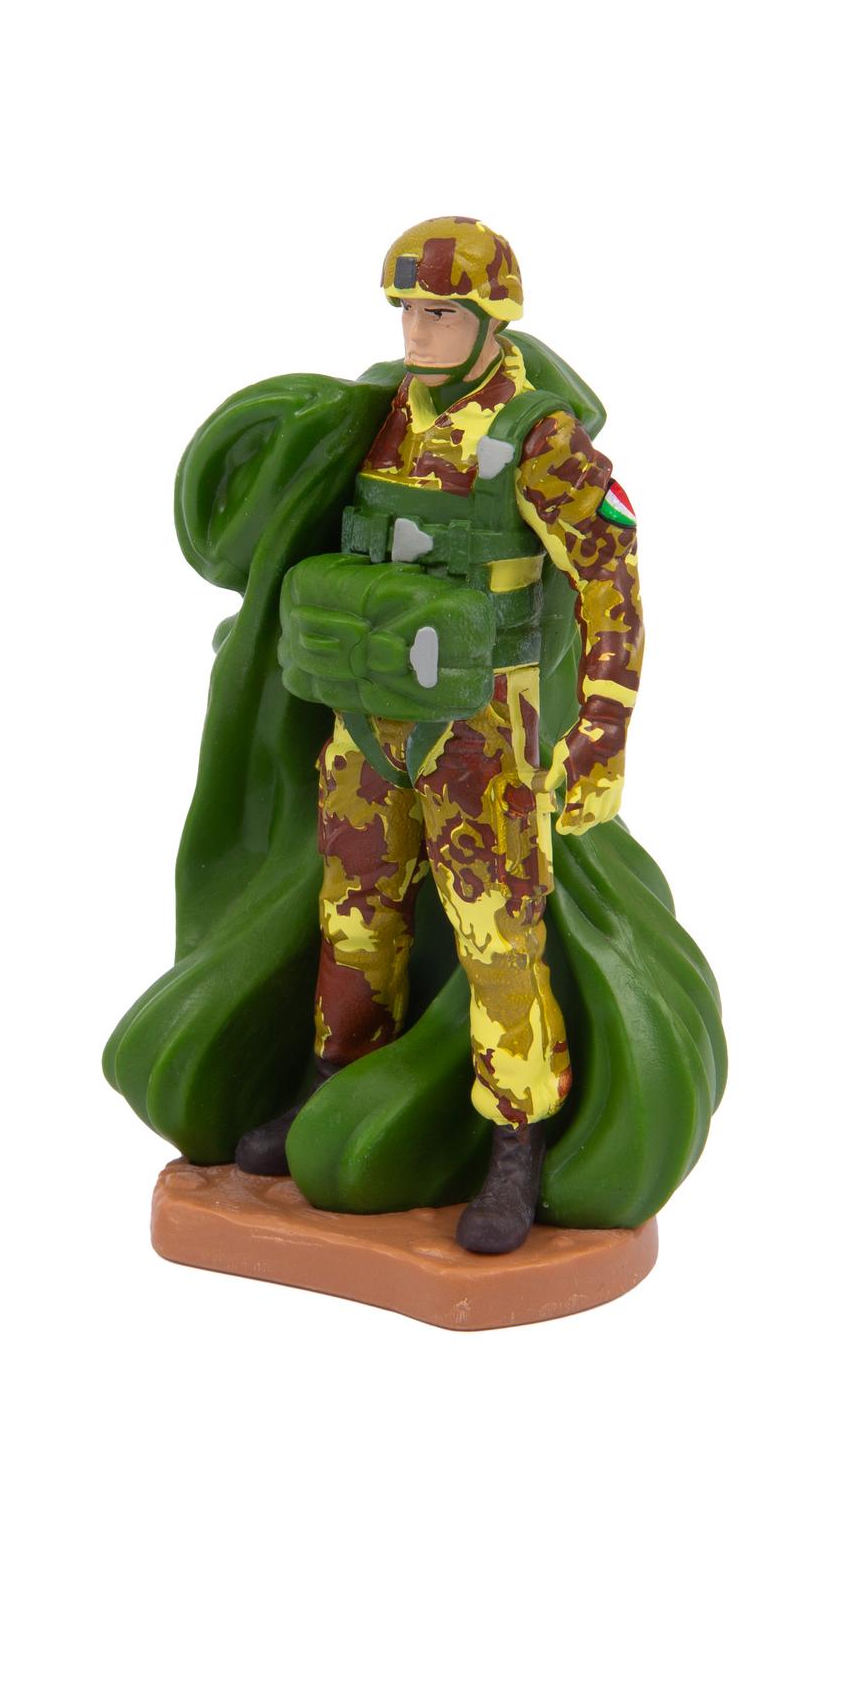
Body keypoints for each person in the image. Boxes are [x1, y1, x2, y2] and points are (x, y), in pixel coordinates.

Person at [234, 217, 643, 1254]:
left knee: (498, 938)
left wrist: (602, 725)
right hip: (366, 721)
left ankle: (516, 1140)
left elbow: (610, 579)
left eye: (443, 313)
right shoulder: (372, 415)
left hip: (482, 733)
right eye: (410, 311)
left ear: (491, 319)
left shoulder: (535, 436)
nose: (419, 332)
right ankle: (335, 1090)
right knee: (354, 917)